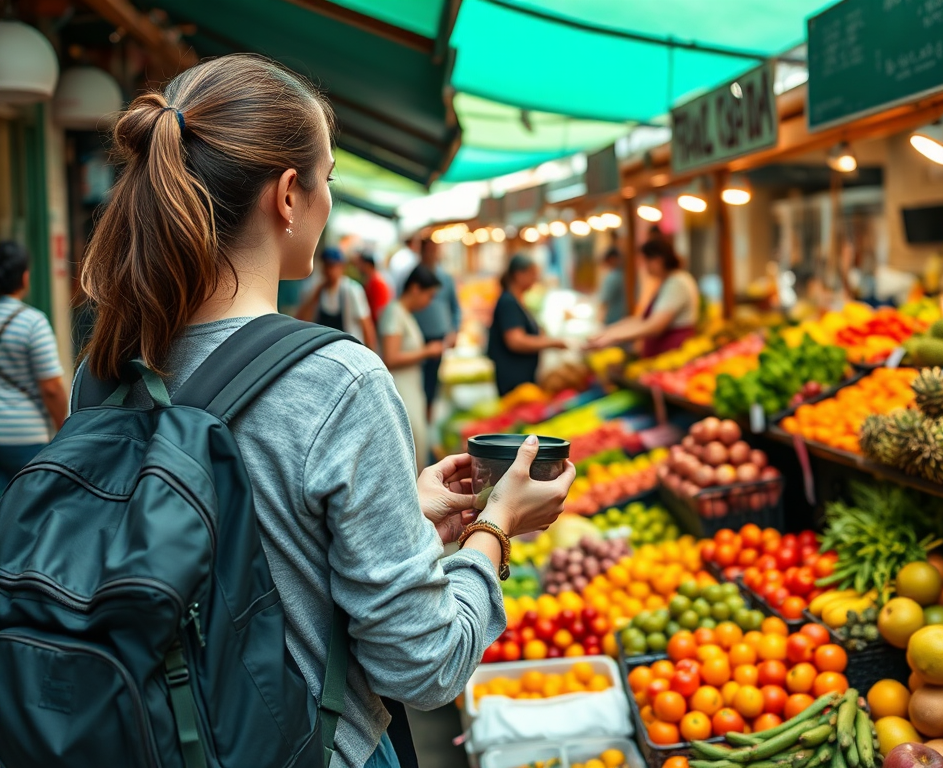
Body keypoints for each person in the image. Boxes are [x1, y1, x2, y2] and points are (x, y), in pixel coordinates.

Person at [77, 54, 574, 768]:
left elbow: (227, 548)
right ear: (288, 195)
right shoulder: (337, 379)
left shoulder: (106, 364)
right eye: (330, 177)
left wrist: (400, 504)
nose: (329, 199)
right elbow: (424, 665)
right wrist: (497, 527)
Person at [0, 241, 67, 487]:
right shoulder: (32, 322)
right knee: (24, 511)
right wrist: (64, 427)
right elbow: (50, 388)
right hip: (25, 436)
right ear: (25, 278)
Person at [379, 265, 444, 473]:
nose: (429, 302)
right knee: (413, 447)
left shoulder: (404, 313)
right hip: (402, 388)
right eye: (429, 295)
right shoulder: (394, 312)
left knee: (418, 445)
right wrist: (427, 351)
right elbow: (390, 356)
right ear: (416, 289)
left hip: (411, 387)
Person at [587, 238, 699, 358]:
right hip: (664, 355)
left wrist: (612, 336)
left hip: (672, 355)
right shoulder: (669, 281)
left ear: (657, 261)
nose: (644, 267)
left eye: (645, 262)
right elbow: (642, 320)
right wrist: (608, 332)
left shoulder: (677, 283)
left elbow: (655, 325)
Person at [487, 254, 567, 397]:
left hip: (522, 373)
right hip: (513, 375)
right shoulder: (508, 302)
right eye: (533, 274)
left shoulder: (517, 300)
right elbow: (515, 341)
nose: (536, 279)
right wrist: (550, 343)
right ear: (519, 275)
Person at [296, 246, 377, 350]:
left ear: (341, 267)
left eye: (332, 266)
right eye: (326, 266)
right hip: (325, 348)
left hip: (349, 349)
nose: (329, 271)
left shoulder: (352, 289)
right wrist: (315, 297)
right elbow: (302, 319)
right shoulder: (317, 290)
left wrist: (371, 351)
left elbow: (366, 324)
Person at [414, 239, 461, 409]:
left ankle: (428, 413)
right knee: (417, 380)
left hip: (439, 335)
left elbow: (455, 307)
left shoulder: (446, 278)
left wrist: (455, 330)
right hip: (418, 335)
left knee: (433, 380)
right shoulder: (414, 275)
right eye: (429, 251)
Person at [355, 249, 391, 325]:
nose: (358, 267)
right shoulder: (371, 280)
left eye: (360, 264)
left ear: (367, 265)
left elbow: (377, 312)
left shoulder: (377, 282)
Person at [596, 239, 626, 325]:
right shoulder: (627, 275)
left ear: (611, 259)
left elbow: (604, 301)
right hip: (623, 319)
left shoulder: (613, 277)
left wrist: (599, 318)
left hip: (612, 321)